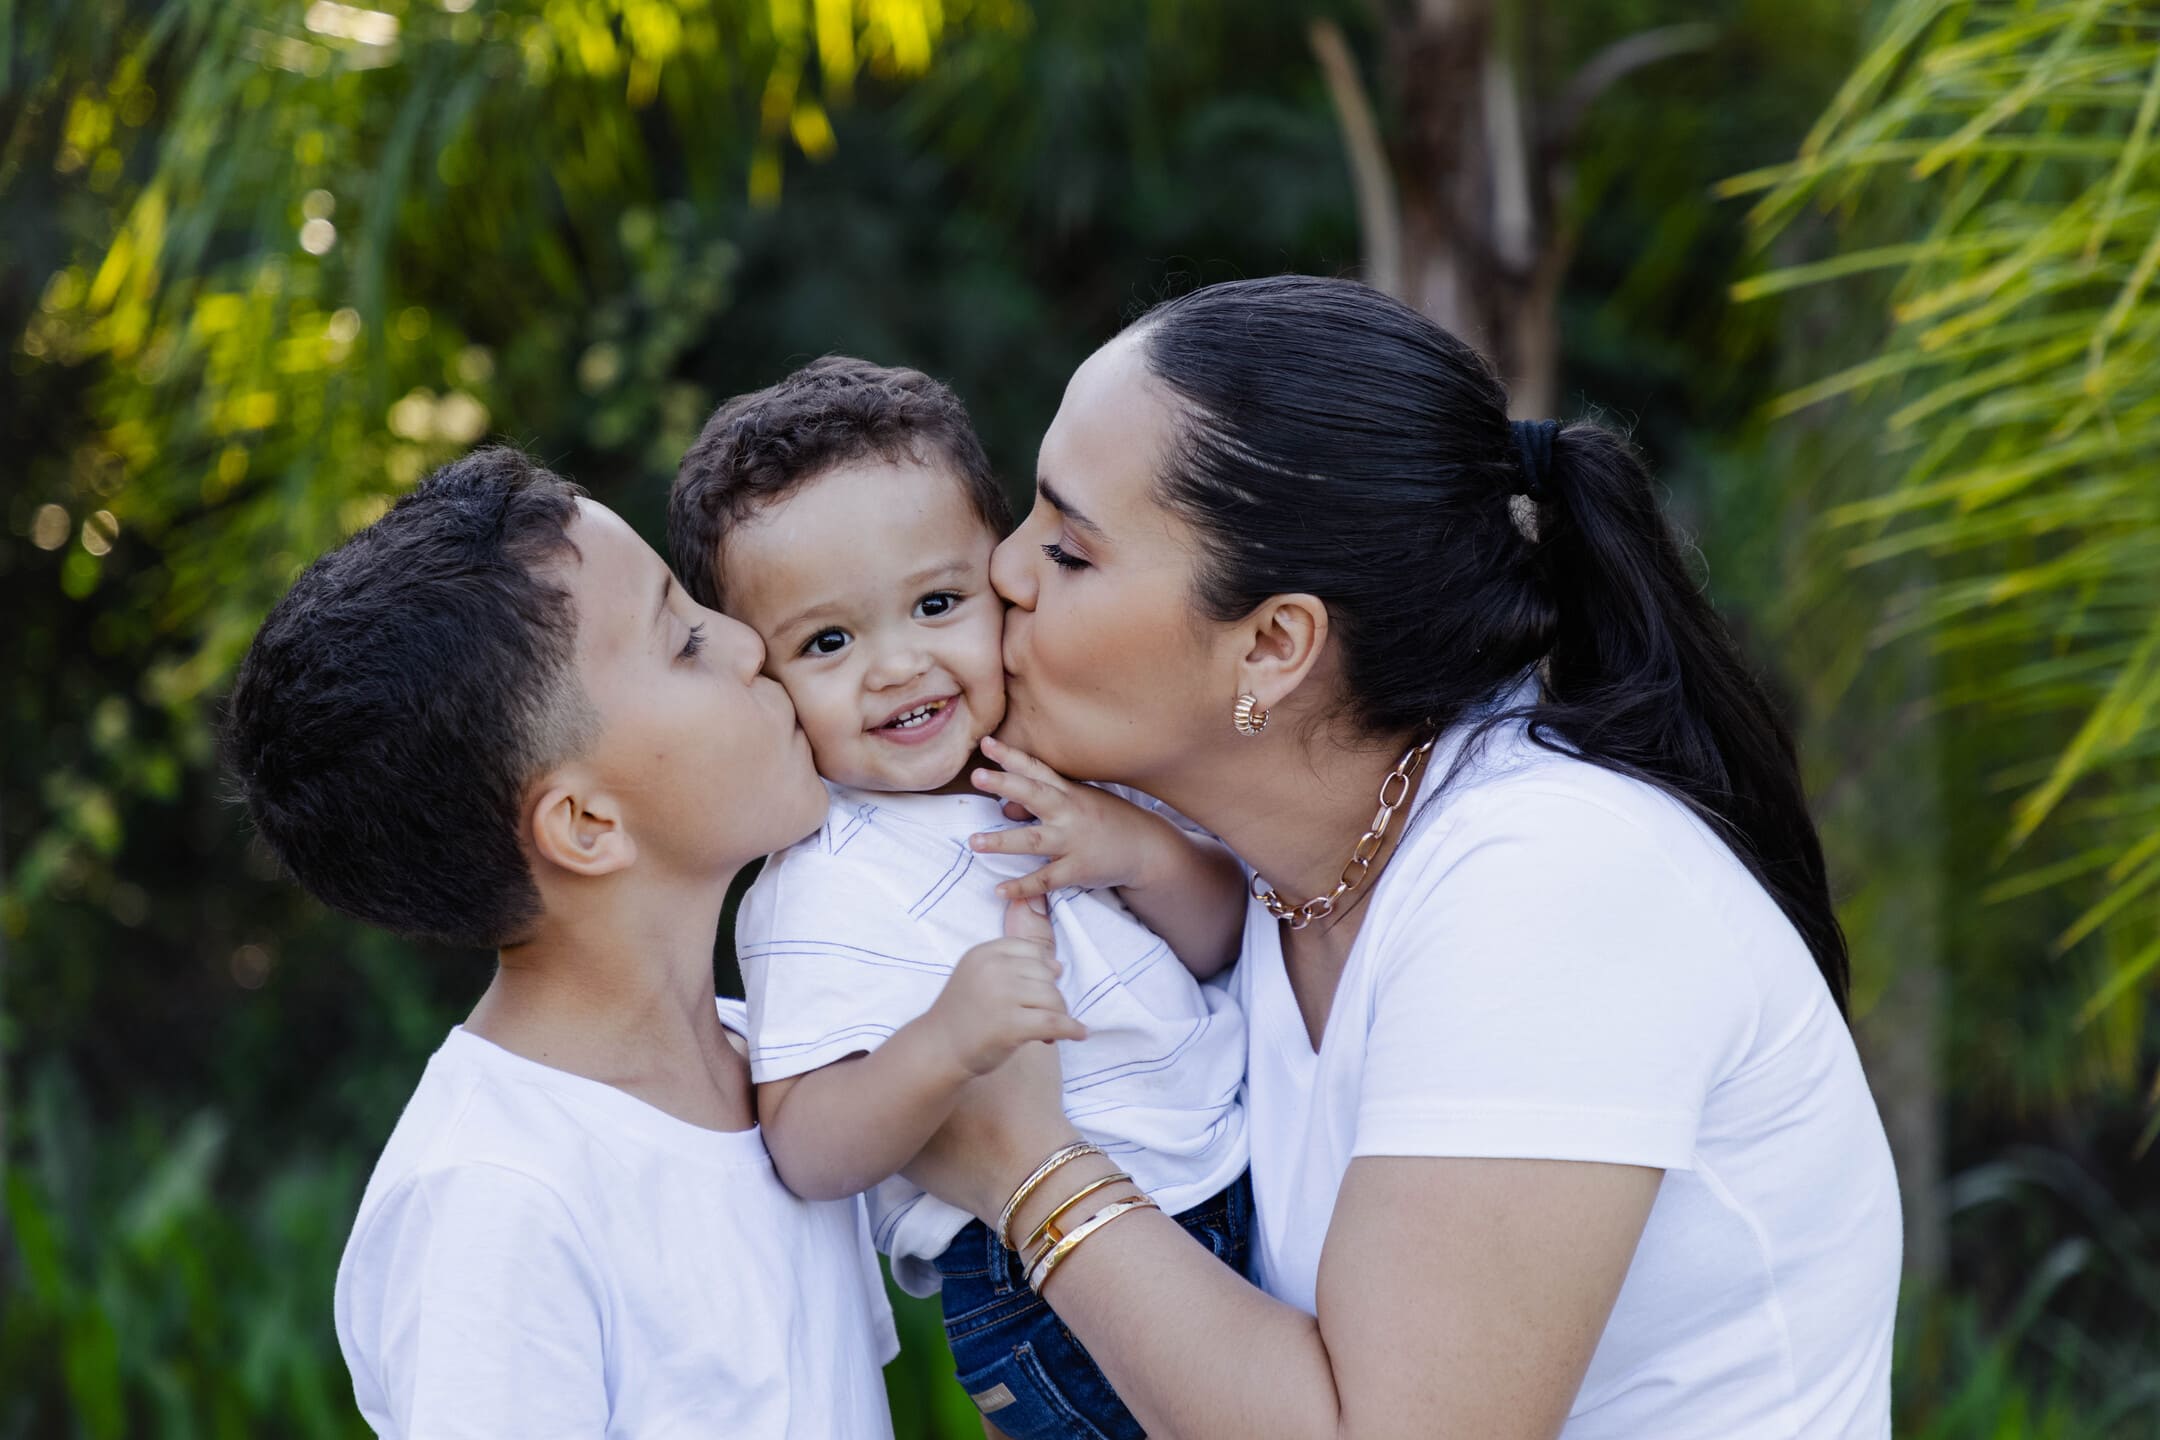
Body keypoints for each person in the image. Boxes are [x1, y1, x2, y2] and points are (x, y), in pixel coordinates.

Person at [906, 275, 1904, 1439]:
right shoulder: (1249, 873)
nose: (1002, 575)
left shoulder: (1549, 882)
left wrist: (1029, 1169)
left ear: (1275, 645)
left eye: (1069, 553)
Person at [222, 448, 899, 1438]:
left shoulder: (791, 1072)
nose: (750, 645)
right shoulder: (495, 1200)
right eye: (685, 643)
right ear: (584, 824)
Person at [668, 356, 1253, 1439]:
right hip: (1040, 1285)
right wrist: (945, 1044)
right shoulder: (824, 878)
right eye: (829, 642)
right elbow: (806, 1145)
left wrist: (1135, 849)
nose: (897, 667)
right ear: (764, 677)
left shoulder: (1069, 764)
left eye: (937, 604)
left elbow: (1225, 936)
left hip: (1225, 1191)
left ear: (1002, 580)